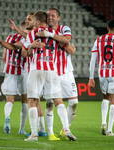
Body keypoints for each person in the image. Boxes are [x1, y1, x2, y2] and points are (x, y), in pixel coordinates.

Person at [21, 10, 76, 141]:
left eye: (34, 21)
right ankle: (66, 128)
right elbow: (66, 42)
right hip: (52, 70)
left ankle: (34, 134)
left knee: (33, 101)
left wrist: (31, 47)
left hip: (36, 70)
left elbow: (25, 54)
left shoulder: (32, 34)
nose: (33, 23)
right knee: (59, 101)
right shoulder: (55, 34)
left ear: (38, 22)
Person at [36, 7, 78, 140]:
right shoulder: (43, 31)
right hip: (51, 72)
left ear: (58, 18)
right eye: (48, 16)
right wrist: (67, 45)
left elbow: (67, 40)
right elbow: (68, 46)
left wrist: (60, 41)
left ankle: (65, 129)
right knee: (49, 104)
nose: (50, 18)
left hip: (66, 71)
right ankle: (51, 133)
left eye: (53, 16)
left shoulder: (64, 28)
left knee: (74, 103)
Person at [88, 19, 114, 136]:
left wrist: (91, 77)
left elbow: (93, 60)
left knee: (105, 97)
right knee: (113, 102)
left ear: (107, 28)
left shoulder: (99, 40)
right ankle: (109, 130)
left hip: (102, 73)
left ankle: (103, 122)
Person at [2, 21, 28, 135]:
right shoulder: (26, 39)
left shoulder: (9, 37)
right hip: (23, 71)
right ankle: (21, 129)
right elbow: (25, 54)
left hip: (9, 70)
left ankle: (7, 116)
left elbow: (4, 56)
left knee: (9, 100)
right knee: (25, 101)